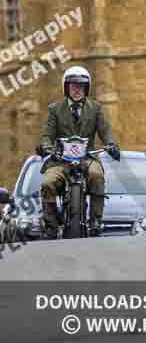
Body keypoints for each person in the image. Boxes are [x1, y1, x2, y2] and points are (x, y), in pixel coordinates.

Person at [39, 65, 120, 238]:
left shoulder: (96, 108)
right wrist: (46, 147)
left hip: (87, 157)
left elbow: (105, 131)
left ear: (86, 88)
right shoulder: (55, 109)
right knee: (47, 183)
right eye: (73, 86)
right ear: (66, 87)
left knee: (97, 176)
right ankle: (51, 226)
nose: (77, 89)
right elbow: (47, 135)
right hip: (61, 159)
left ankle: (96, 222)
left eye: (81, 86)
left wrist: (111, 144)